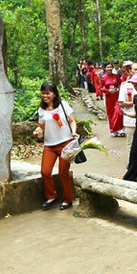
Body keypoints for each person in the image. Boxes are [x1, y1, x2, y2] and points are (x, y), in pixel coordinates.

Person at [33, 81, 77, 211]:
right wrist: (38, 133)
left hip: (66, 144)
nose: (45, 95)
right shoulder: (41, 109)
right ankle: (51, 196)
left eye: (48, 93)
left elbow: (72, 121)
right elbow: (42, 127)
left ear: (54, 94)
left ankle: (67, 199)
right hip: (50, 145)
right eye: (43, 93)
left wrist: (74, 132)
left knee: (63, 172)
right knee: (45, 171)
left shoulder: (63, 105)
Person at [98, 65, 125, 137]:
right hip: (109, 98)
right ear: (105, 68)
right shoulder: (103, 77)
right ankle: (113, 130)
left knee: (118, 112)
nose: (109, 68)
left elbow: (122, 83)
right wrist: (108, 90)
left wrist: (118, 89)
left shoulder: (116, 76)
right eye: (108, 67)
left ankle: (120, 129)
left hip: (117, 97)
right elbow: (100, 88)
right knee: (110, 114)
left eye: (110, 67)